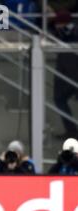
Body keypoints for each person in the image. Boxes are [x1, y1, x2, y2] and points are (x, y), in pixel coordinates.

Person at [51, 10, 78, 139]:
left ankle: (72, 130)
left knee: (59, 99)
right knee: (59, 99)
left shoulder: (72, 31)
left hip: (70, 72)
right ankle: (71, 130)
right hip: (65, 72)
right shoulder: (61, 32)